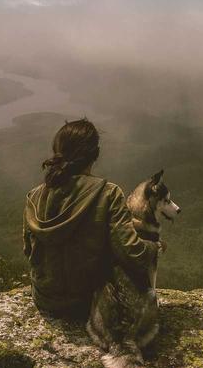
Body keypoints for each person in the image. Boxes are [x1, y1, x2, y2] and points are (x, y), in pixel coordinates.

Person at [22, 118, 158, 320]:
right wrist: (155, 247)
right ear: (95, 154)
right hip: (90, 303)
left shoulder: (35, 195)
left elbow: (28, 249)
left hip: (45, 299)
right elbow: (132, 253)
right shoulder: (108, 193)